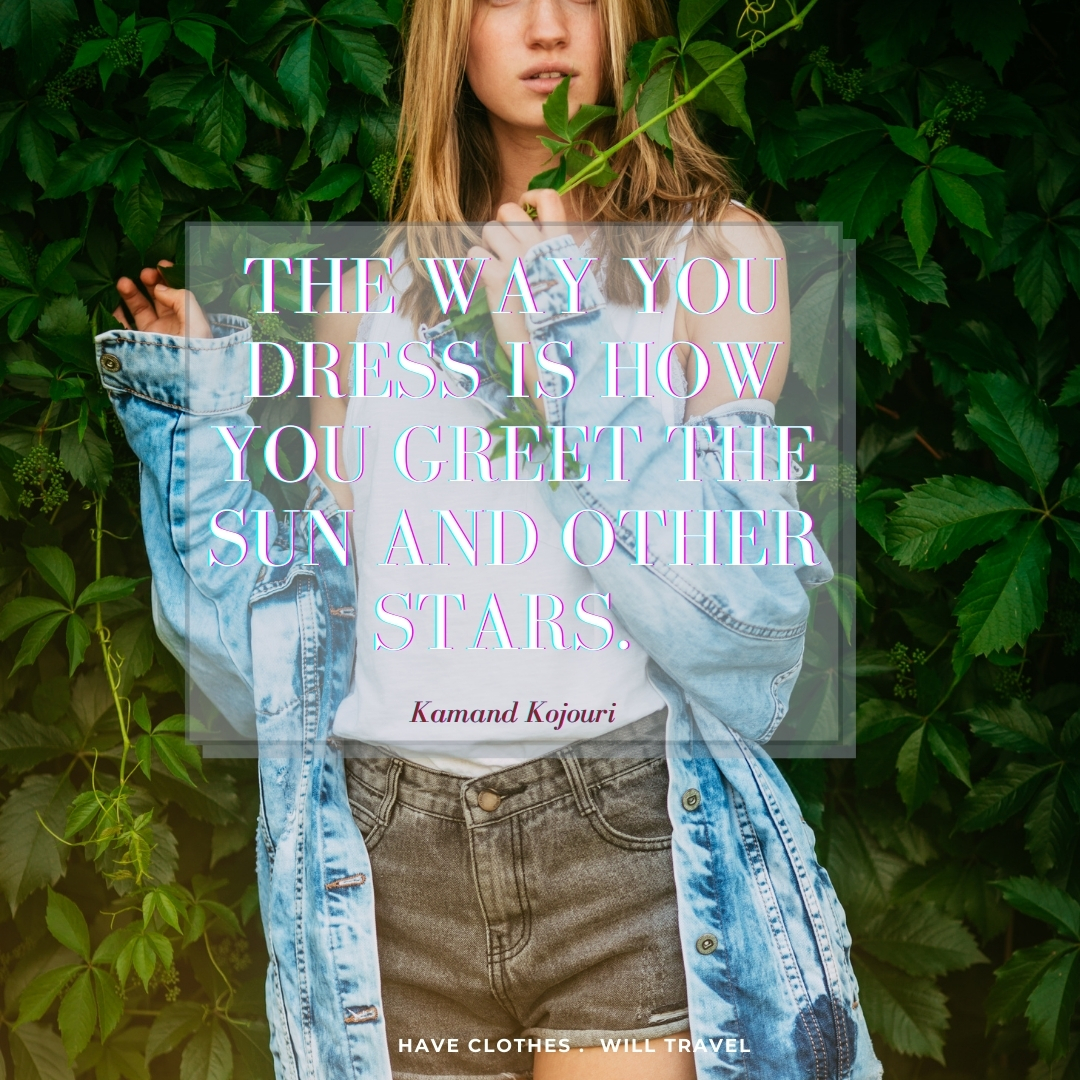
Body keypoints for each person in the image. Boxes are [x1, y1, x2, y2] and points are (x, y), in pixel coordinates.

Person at [101, 1, 882, 1079]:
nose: (550, 26)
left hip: (620, 843)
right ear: (450, 36)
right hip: (383, 858)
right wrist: (190, 422)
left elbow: (748, 623)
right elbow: (275, 653)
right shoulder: (366, 300)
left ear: (631, 27)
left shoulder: (715, 252)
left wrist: (565, 321)